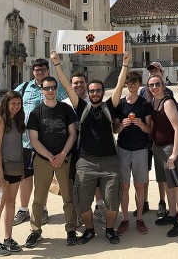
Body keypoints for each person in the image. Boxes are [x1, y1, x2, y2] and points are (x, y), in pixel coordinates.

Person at [52, 51, 129, 245]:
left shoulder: (109, 107)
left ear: (102, 93)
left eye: (98, 91)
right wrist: (57, 64)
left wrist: (125, 64)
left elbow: (120, 85)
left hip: (110, 161)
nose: (95, 93)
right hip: (85, 161)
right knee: (83, 202)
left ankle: (110, 230)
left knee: (112, 200)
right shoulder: (81, 107)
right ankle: (89, 230)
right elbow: (67, 86)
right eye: (92, 91)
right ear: (89, 92)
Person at [13, 59, 68, 227]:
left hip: (47, 142)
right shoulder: (23, 88)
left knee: (42, 179)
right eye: (37, 70)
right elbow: (9, 104)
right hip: (26, 141)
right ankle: (23, 209)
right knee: (25, 177)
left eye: (43, 69)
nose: (40, 72)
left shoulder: (55, 88)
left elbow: (69, 103)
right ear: (33, 71)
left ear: (48, 70)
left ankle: (42, 208)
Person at [24, 76, 78, 248]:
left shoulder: (66, 109)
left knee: (68, 196)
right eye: (47, 88)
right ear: (42, 90)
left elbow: (72, 133)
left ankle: (71, 229)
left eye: (53, 87)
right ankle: (35, 231)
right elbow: (33, 139)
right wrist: (50, 156)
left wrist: (62, 154)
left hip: (64, 158)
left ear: (56, 89)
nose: (50, 91)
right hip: (43, 159)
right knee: (39, 197)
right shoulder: (36, 112)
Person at [60, 69, 107, 225]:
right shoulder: (65, 104)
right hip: (71, 147)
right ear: (71, 85)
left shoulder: (93, 100)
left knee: (97, 179)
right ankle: (81, 211)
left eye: (81, 82)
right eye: (75, 82)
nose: (79, 85)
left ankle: (99, 207)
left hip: (90, 146)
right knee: (77, 181)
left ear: (86, 84)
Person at [147, 74, 178, 237]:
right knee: (168, 184)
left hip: (170, 149)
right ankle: (172, 214)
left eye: (157, 84)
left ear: (163, 86)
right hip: (158, 148)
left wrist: (174, 153)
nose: (154, 87)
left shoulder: (168, 102)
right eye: (151, 85)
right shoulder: (154, 103)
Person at [113, 71, 152, 235]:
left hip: (140, 149)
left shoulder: (145, 104)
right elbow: (115, 129)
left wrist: (141, 125)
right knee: (124, 186)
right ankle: (125, 219)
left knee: (139, 185)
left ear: (139, 84)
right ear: (125, 85)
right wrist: (122, 125)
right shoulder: (120, 104)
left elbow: (150, 129)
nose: (132, 85)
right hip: (123, 148)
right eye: (129, 83)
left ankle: (139, 218)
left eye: (135, 82)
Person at [0, 91, 25, 256]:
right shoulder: (0, 120)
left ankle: (8, 238)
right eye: (13, 104)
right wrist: (0, 174)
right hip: (0, 168)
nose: (16, 107)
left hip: (15, 167)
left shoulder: (17, 120)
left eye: (18, 103)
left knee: (11, 203)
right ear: (6, 103)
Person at [138, 61, 173, 218]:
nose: (153, 73)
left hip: (161, 138)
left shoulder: (168, 93)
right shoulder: (143, 92)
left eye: (156, 71)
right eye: (151, 71)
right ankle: (144, 202)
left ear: (162, 73)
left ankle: (162, 201)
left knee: (162, 174)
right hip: (146, 137)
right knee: (144, 171)